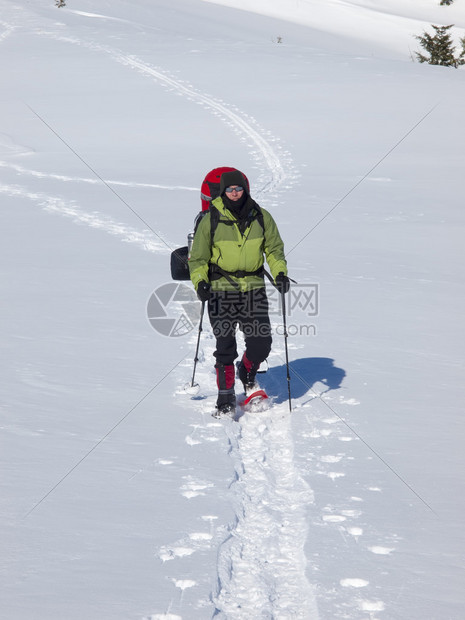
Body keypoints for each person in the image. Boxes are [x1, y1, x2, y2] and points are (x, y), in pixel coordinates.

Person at [189, 169, 290, 415]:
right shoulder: (210, 219)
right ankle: (225, 397)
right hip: (220, 288)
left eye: (238, 189)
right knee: (225, 343)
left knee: (261, 343)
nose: (234, 194)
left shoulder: (261, 217)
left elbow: (274, 250)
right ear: (223, 192)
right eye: (229, 190)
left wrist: (279, 273)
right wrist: (200, 282)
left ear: (245, 190)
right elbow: (198, 258)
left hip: (253, 288)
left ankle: (246, 370)